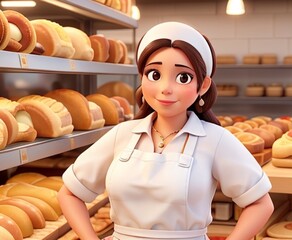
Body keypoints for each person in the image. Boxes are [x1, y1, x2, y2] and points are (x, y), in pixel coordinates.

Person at [58, 21, 274, 240]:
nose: (165, 88)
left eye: (183, 77)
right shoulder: (121, 134)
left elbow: (261, 203)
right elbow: (69, 193)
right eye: (154, 74)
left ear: (204, 85)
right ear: (142, 77)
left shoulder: (215, 140)